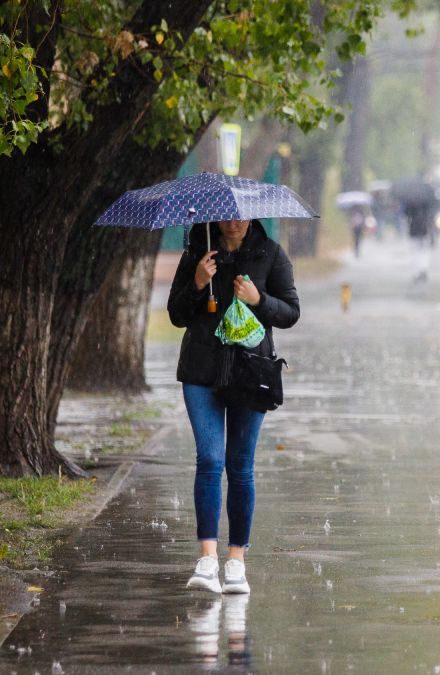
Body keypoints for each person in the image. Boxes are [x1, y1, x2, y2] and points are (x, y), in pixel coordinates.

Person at [167, 218, 299, 595]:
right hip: (201, 370)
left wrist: (259, 300)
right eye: (227, 215)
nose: (235, 222)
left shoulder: (270, 254)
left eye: (242, 216)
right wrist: (196, 281)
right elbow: (177, 315)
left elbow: (291, 312)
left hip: (250, 372)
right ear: (216, 217)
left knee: (240, 465)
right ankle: (207, 559)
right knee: (209, 460)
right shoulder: (198, 251)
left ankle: (237, 561)